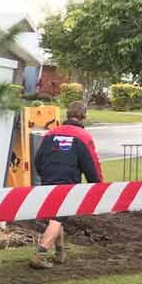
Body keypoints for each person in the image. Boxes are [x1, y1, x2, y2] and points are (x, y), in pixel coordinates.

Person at [30, 100, 102, 269]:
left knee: (56, 215)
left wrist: (44, 175)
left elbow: (38, 159)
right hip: (68, 181)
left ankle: (60, 251)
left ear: (67, 114)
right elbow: (91, 164)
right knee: (57, 218)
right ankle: (40, 254)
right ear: (84, 116)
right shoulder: (83, 137)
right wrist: (97, 185)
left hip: (48, 178)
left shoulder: (51, 133)